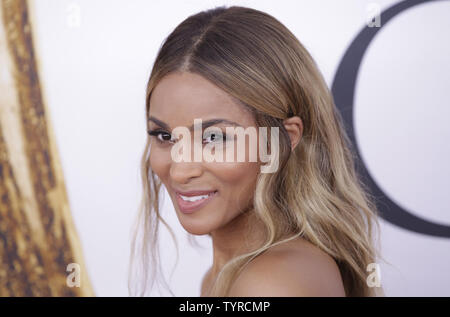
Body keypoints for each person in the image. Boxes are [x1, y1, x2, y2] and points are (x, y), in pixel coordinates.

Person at [130, 5, 384, 297]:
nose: (180, 169)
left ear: (283, 140)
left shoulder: (273, 283)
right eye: (164, 135)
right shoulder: (224, 277)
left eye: (213, 137)